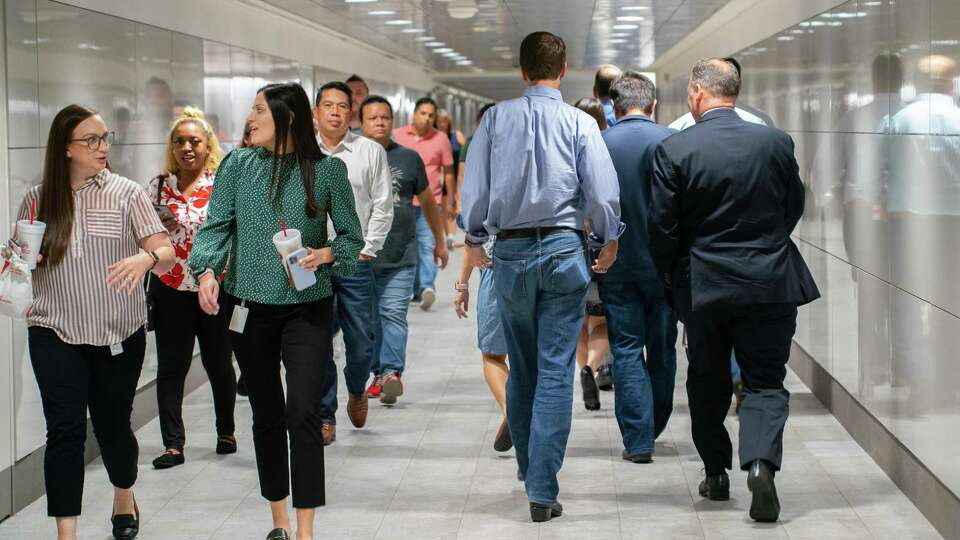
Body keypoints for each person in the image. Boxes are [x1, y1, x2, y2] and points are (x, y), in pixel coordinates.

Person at [460, 31, 623, 523]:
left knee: (524, 369)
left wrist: (473, 242)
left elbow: (477, 190)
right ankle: (542, 488)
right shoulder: (580, 123)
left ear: (521, 70)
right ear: (563, 67)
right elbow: (601, 191)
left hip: (508, 253)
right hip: (563, 250)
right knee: (555, 371)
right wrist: (610, 237)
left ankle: (531, 474)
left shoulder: (493, 120)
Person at [189, 82, 363, 540]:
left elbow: (350, 236)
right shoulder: (238, 165)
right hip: (248, 309)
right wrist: (206, 272)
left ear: (286, 117)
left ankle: (306, 529)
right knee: (265, 414)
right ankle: (279, 520)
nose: (251, 118)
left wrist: (325, 255)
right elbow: (215, 226)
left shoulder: (326, 172)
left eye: (259, 110)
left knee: (303, 410)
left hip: (307, 308)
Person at [648, 59, 819, 523]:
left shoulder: (676, 149)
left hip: (705, 286)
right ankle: (761, 463)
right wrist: (763, 244)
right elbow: (794, 206)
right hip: (770, 281)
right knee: (765, 379)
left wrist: (673, 278)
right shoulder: (776, 142)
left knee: (707, 379)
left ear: (699, 93)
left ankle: (716, 473)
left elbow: (662, 228)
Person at [4, 104, 176, 540]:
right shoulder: (38, 198)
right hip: (53, 329)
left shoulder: (127, 193)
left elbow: (167, 251)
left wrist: (146, 257)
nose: (102, 148)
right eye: (91, 140)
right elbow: (17, 261)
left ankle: (123, 493)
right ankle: (67, 532)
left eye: (105, 139)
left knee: (113, 425)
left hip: (118, 331)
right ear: (65, 149)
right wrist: (21, 261)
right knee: (64, 431)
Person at [147, 107, 237, 470]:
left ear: (207, 146)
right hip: (169, 286)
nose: (187, 148)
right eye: (180, 141)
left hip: (214, 286)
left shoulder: (221, 184)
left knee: (218, 361)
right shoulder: (157, 186)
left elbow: (234, 233)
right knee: (172, 366)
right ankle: (173, 444)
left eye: (194, 141)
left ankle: (226, 430)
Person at [600, 74, 678, 463]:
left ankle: (638, 437)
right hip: (664, 265)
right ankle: (656, 422)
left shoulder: (600, 143)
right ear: (653, 104)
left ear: (614, 106)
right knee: (663, 345)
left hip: (615, 262)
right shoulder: (671, 140)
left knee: (626, 347)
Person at [313, 81, 393, 442]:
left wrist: (366, 249)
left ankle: (357, 388)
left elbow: (382, 205)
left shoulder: (370, 151)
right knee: (318, 342)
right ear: (315, 113)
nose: (334, 112)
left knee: (361, 341)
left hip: (353, 260)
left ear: (351, 113)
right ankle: (325, 414)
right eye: (327, 105)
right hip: (312, 261)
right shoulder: (302, 153)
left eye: (341, 106)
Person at [359, 95, 448, 404]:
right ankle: (376, 372)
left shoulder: (409, 158)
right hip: (361, 257)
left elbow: (427, 203)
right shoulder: (349, 156)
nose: (380, 122)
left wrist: (439, 240)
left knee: (393, 313)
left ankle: (391, 373)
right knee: (370, 319)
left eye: (385, 117)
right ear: (362, 123)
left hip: (401, 253)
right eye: (373, 118)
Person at [451, 101, 512, 453]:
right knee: (532, 355)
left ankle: (510, 409)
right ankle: (525, 412)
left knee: (492, 355)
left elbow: (473, 236)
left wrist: (461, 285)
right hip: (536, 262)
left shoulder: (480, 175)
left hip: (492, 267)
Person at [393, 97, 455, 311]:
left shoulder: (441, 139)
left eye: (431, 115)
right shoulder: (398, 135)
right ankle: (415, 289)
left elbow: (448, 172)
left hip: (431, 202)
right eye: (423, 113)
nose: (427, 118)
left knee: (427, 245)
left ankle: (427, 287)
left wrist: (451, 200)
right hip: (402, 203)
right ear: (414, 114)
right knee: (407, 246)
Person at [572, 97, 611, 411]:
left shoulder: (564, 151)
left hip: (570, 244)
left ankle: (582, 366)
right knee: (603, 322)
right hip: (603, 244)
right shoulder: (606, 151)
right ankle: (593, 367)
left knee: (578, 320)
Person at [435, 109, 467, 248]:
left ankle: (450, 236)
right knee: (442, 206)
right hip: (438, 176)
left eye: (445, 122)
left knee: (451, 205)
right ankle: (444, 234)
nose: (442, 124)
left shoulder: (457, 135)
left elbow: (468, 152)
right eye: (440, 122)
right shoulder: (433, 137)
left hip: (454, 175)